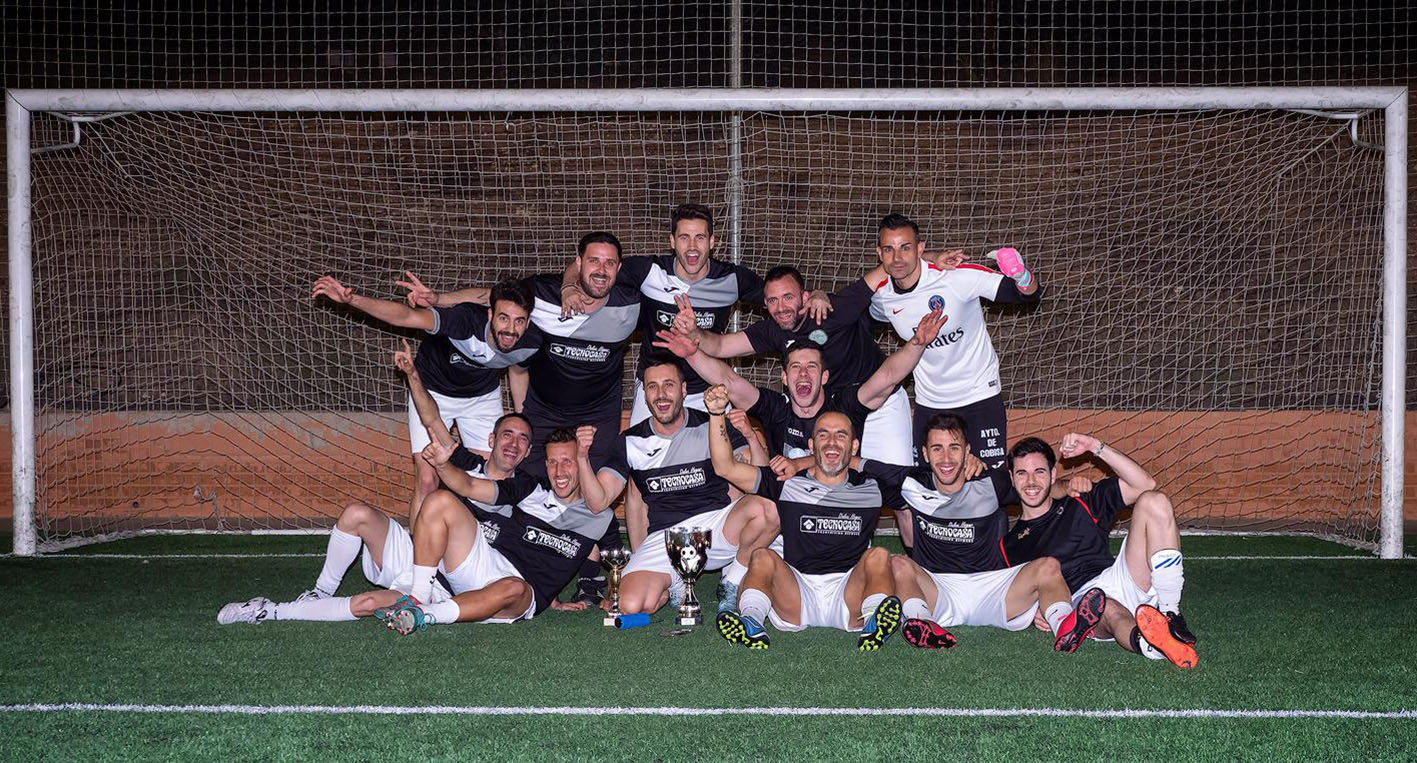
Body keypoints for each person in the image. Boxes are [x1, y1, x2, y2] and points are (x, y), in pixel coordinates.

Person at [216, 345, 539, 626]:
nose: (513, 444)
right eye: (507, 435)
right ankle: (319, 592)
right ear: (491, 439)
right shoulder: (467, 461)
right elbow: (432, 422)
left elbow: (554, 537)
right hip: (419, 552)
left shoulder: (524, 491)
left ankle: (270, 612)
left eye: (522, 440)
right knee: (356, 514)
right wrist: (413, 375)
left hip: (447, 578)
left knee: (368, 604)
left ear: (527, 452)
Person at [400, 231, 636, 603]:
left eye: (609, 263)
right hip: (542, 411)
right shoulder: (541, 294)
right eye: (593, 260)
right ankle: (494, 565)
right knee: (531, 490)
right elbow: (489, 297)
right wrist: (441, 299)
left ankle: (596, 578)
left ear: (620, 269)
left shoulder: (631, 300)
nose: (601, 269)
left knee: (592, 498)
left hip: (597, 414)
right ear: (578, 263)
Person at [862, 413, 1105, 652]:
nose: (946, 458)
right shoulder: (911, 483)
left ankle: (1065, 627)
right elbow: (861, 466)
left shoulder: (990, 482)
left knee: (1049, 566)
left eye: (954, 448)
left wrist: (1068, 484)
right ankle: (923, 623)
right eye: (937, 448)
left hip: (992, 589)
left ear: (968, 451)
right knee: (898, 564)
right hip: (938, 588)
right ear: (925, 454)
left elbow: (1035, 488)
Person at [311, 275, 540, 524]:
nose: (510, 329)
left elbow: (518, 369)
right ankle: (418, 556)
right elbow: (407, 316)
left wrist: (522, 419)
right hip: (432, 392)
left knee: (491, 478)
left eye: (519, 321)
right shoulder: (462, 320)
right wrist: (352, 299)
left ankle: (481, 552)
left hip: (481, 397)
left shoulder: (530, 340)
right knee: (428, 479)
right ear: (489, 315)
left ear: (528, 323)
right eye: (503, 318)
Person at [705, 387, 902, 652]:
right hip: (796, 591)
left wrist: (972, 467)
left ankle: (873, 621)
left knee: (878, 555)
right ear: (811, 445)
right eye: (823, 435)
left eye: (841, 435)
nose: (831, 442)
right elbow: (725, 467)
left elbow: (929, 483)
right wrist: (717, 413)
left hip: (848, 591)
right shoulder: (788, 484)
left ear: (854, 446)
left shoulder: (872, 487)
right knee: (762, 556)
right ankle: (751, 622)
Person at [580, 359, 778, 615]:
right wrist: (582, 457)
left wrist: (750, 436)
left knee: (769, 509)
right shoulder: (629, 441)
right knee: (631, 606)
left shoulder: (713, 424)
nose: (661, 394)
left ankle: (732, 582)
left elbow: (760, 479)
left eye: (668, 385)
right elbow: (598, 502)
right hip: (665, 538)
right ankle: (673, 583)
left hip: (716, 527)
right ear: (645, 394)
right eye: (652, 387)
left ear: (684, 390)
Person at [655, 301, 946, 475]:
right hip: (789, 512)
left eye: (811, 367)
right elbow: (729, 382)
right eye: (795, 367)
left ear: (824, 377)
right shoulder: (775, 408)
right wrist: (691, 354)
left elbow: (887, 378)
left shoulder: (842, 406)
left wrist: (917, 343)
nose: (803, 374)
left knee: (900, 489)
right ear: (784, 377)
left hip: (839, 510)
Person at [677, 265, 916, 468]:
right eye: (772, 300)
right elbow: (718, 346)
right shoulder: (772, 329)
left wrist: (934, 259)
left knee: (897, 489)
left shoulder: (833, 310)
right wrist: (693, 332)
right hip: (835, 414)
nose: (780, 308)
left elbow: (889, 264)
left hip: (879, 403)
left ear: (804, 297)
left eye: (788, 297)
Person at [1003, 434, 1197, 668]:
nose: (1031, 482)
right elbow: (1011, 595)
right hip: (1078, 604)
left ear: (1053, 474)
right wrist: (1032, 612)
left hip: (1121, 576)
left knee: (1155, 501)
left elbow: (1145, 484)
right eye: (1022, 473)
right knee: (1104, 606)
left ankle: (1170, 614)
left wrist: (1094, 446)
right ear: (1012, 479)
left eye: (1040, 472)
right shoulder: (1009, 544)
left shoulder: (1080, 500)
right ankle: (1153, 645)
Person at [865, 213, 1041, 471]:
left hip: (979, 395)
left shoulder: (956, 276)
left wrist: (1021, 275)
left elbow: (1026, 295)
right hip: (930, 403)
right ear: (879, 254)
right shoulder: (882, 296)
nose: (898, 257)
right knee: (928, 488)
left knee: (990, 485)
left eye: (906, 248)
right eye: (889, 249)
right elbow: (859, 320)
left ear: (920, 248)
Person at [561, 203, 763, 423]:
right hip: (654, 390)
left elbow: (779, 298)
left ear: (712, 242)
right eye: (684, 237)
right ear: (672, 241)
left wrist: (807, 299)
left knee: (722, 456)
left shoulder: (731, 280)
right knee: (639, 455)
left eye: (700, 237)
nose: (692, 246)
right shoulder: (651, 271)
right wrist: (568, 287)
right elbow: (587, 266)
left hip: (707, 390)